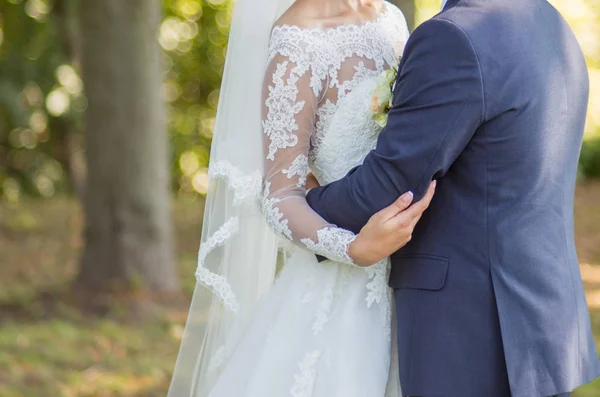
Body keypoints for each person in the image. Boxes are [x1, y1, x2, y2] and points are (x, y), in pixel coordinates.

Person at [306, 0, 600, 396]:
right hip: (541, 322)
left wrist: (298, 208)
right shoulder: (547, 19)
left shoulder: (454, 37)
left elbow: (391, 184)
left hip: (469, 329)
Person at [168, 0, 433, 396]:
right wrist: (353, 247)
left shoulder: (390, 18)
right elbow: (280, 195)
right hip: (344, 291)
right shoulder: (298, 41)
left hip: (420, 273)